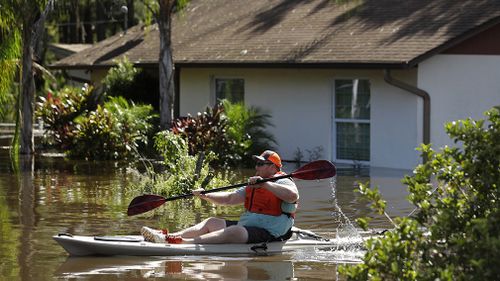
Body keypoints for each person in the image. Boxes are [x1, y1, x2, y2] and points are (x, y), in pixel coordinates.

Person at [141, 150, 299, 244]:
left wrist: (265, 184)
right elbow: (229, 199)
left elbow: (292, 197)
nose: (256, 167)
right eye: (256, 163)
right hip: (249, 227)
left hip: (270, 233)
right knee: (211, 222)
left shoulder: (283, 181)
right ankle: (168, 237)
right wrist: (206, 195)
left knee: (235, 231)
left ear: (272, 167)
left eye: (260, 164)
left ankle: (183, 243)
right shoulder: (255, 184)